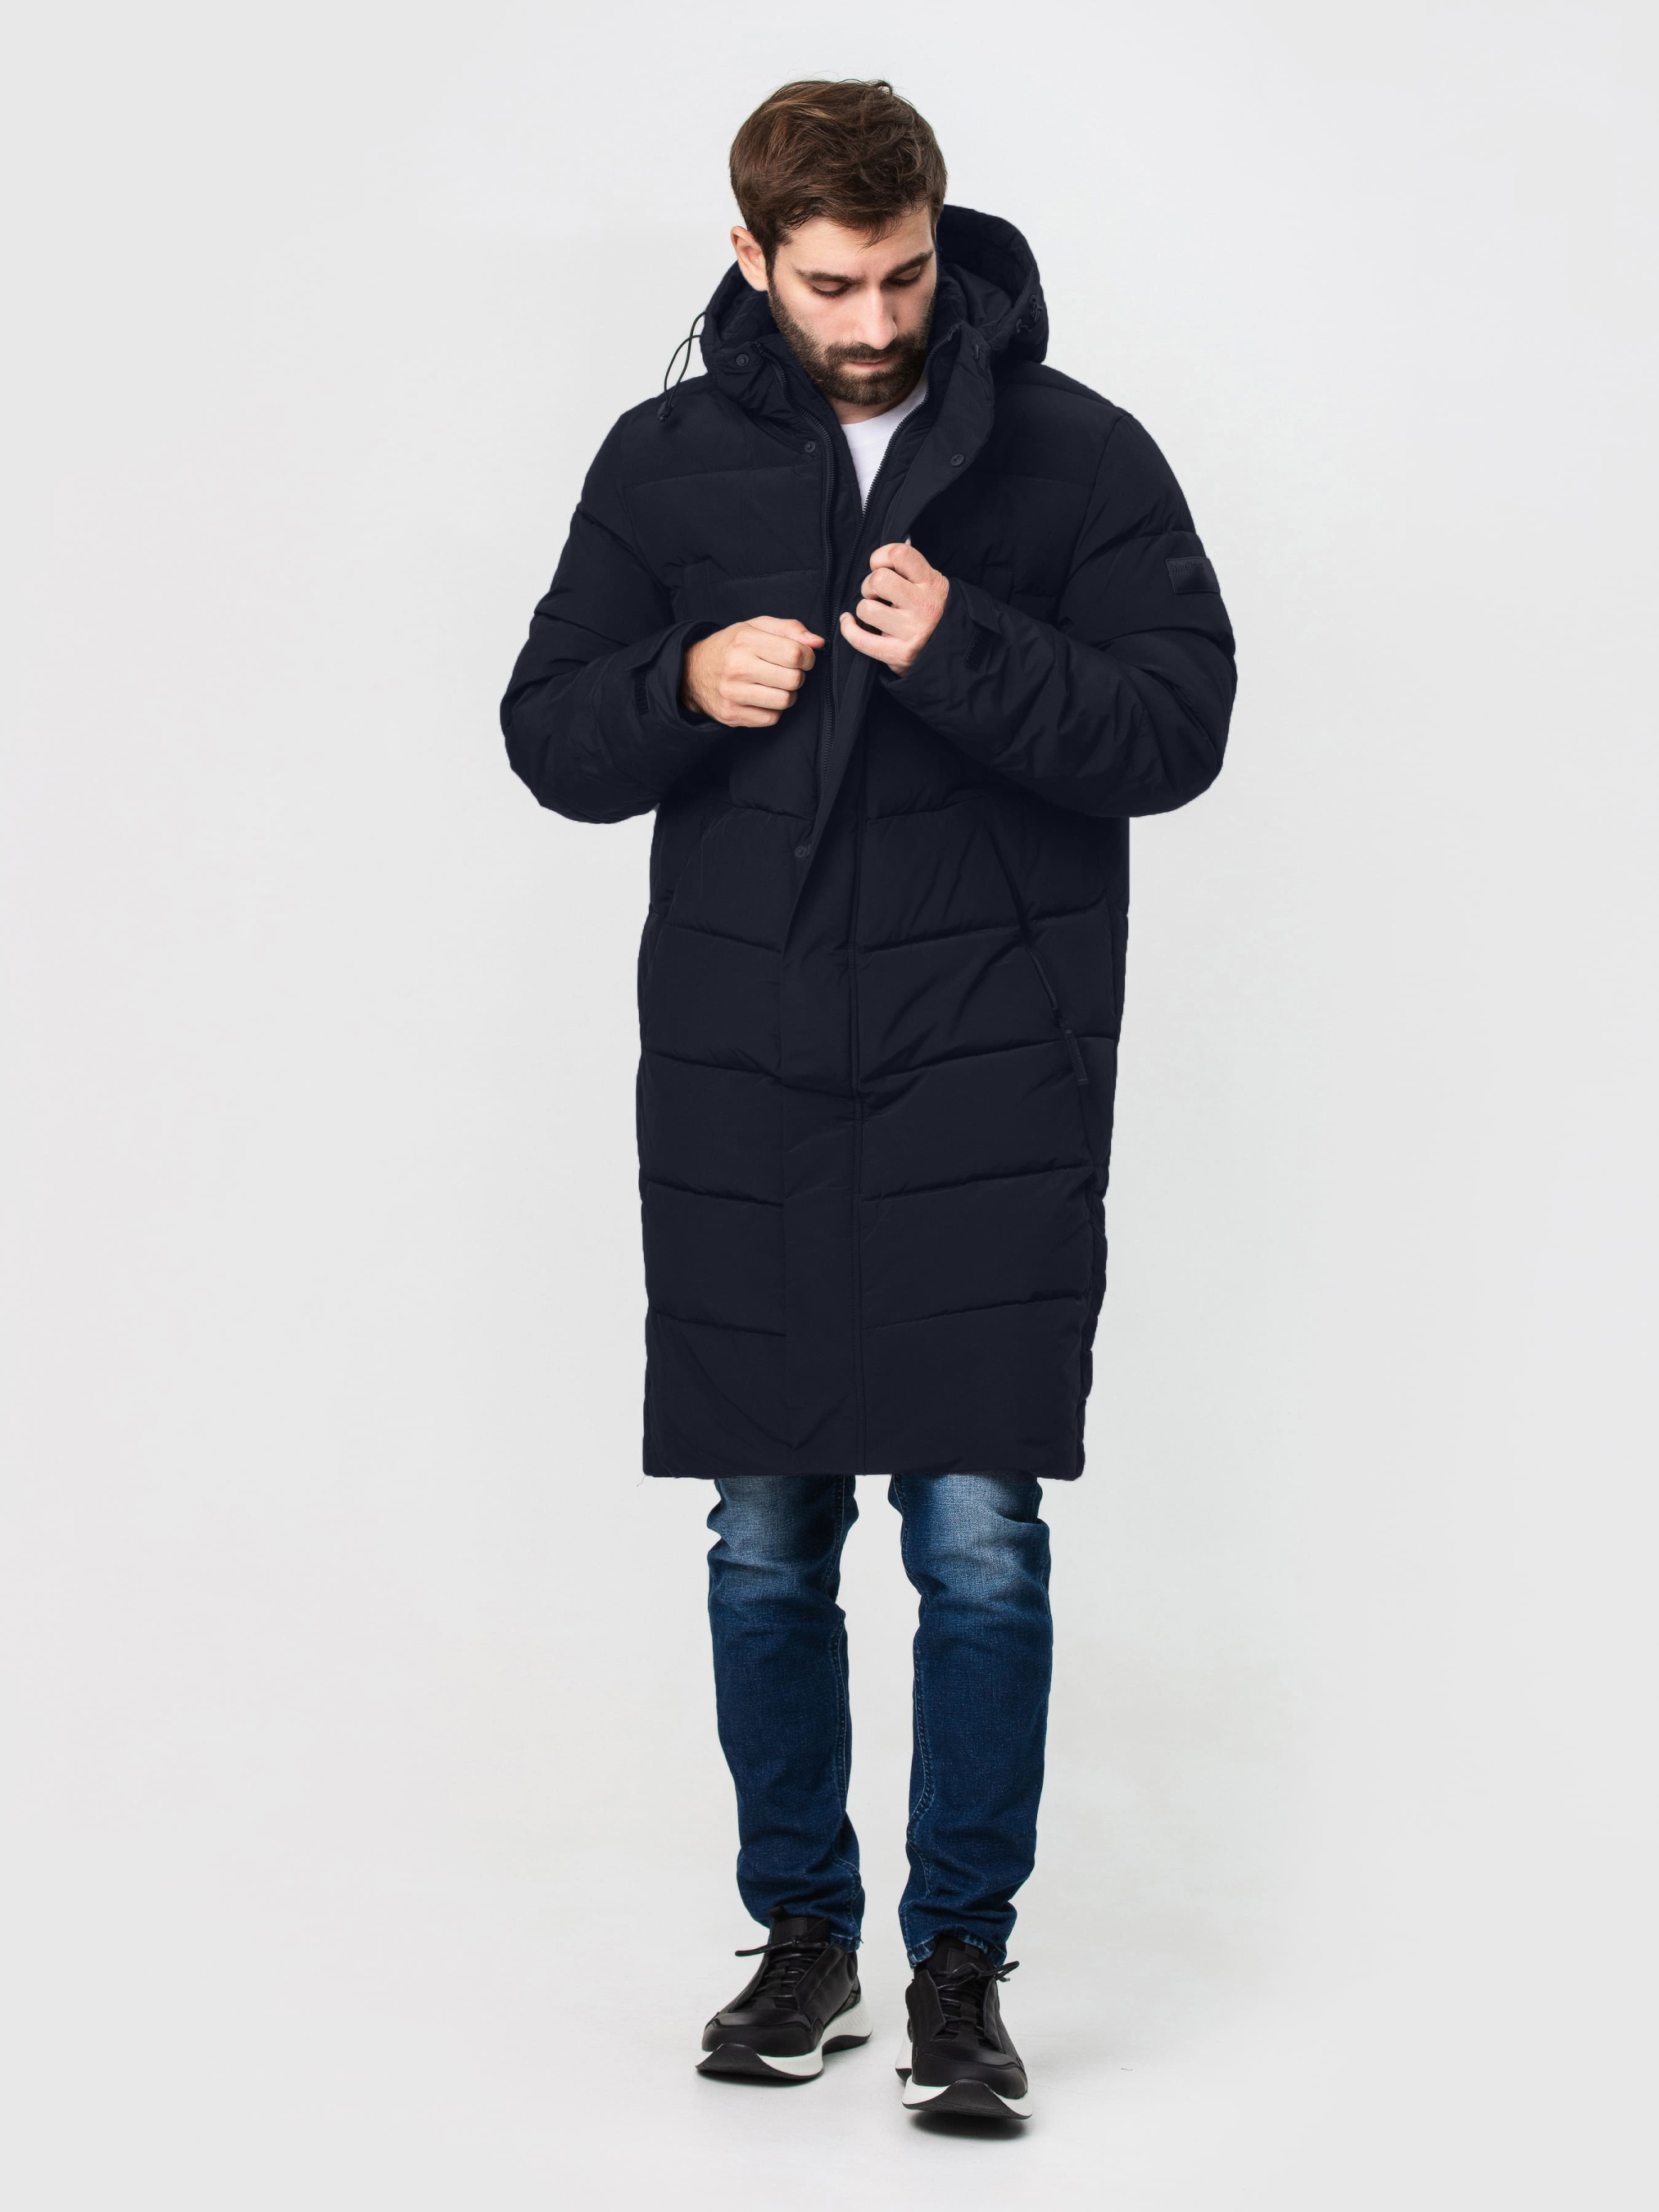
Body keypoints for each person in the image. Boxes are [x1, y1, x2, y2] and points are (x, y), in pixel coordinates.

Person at [501, 78, 1235, 2119]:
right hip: (744, 1084)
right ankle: (801, 1943)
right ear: (751, 258)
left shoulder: (1075, 455)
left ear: (937, 234)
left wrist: (961, 646)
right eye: (831, 284)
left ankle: (958, 1971)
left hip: (988, 1076)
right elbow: (546, 731)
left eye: (902, 273)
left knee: (976, 1536)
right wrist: (675, 686)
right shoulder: (662, 463)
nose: (875, 317)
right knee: (762, 1534)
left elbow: (1179, 724)